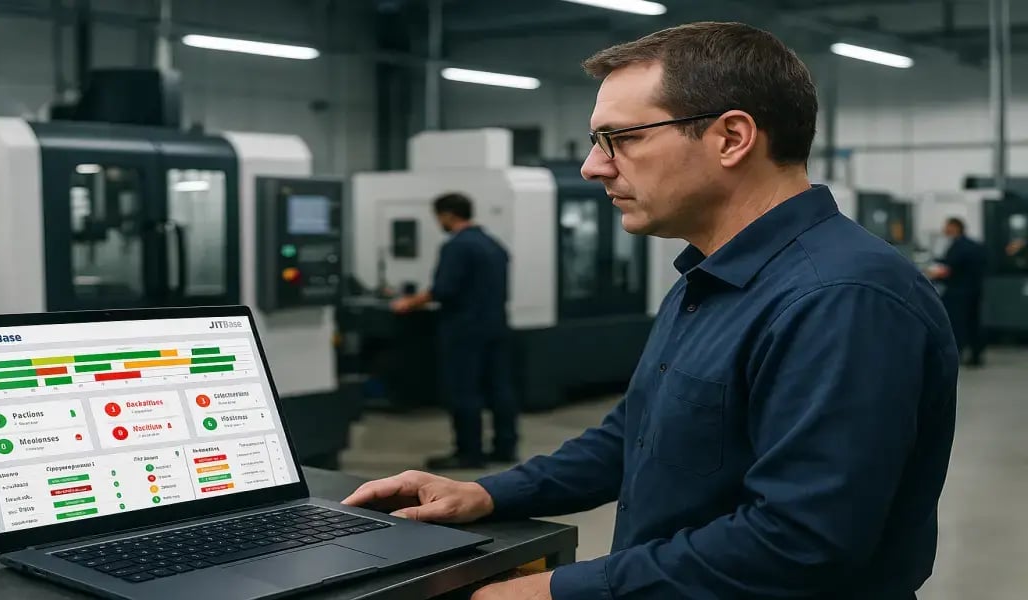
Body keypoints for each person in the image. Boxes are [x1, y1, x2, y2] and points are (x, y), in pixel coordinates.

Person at [345, 22, 958, 600]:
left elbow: (800, 542)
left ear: (731, 138)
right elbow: (636, 436)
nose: (594, 166)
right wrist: (486, 494)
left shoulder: (842, 298)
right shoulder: (712, 276)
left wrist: (556, 590)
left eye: (623, 138)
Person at [390, 193, 518, 470]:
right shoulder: (493, 245)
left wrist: (408, 302)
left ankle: (469, 453)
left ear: (447, 215)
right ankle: (505, 447)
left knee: (464, 390)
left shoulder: (456, 246)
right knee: (499, 388)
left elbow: (444, 289)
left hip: (464, 330)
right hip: (497, 325)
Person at [927, 217, 988, 366]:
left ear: (955, 227)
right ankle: (976, 355)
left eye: (947, 226)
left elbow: (949, 268)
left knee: (957, 323)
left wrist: (931, 273)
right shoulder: (974, 245)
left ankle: (957, 353)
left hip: (957, 291)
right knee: (973, 322)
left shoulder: (958, 246)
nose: (944, 230)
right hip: (975, 290)